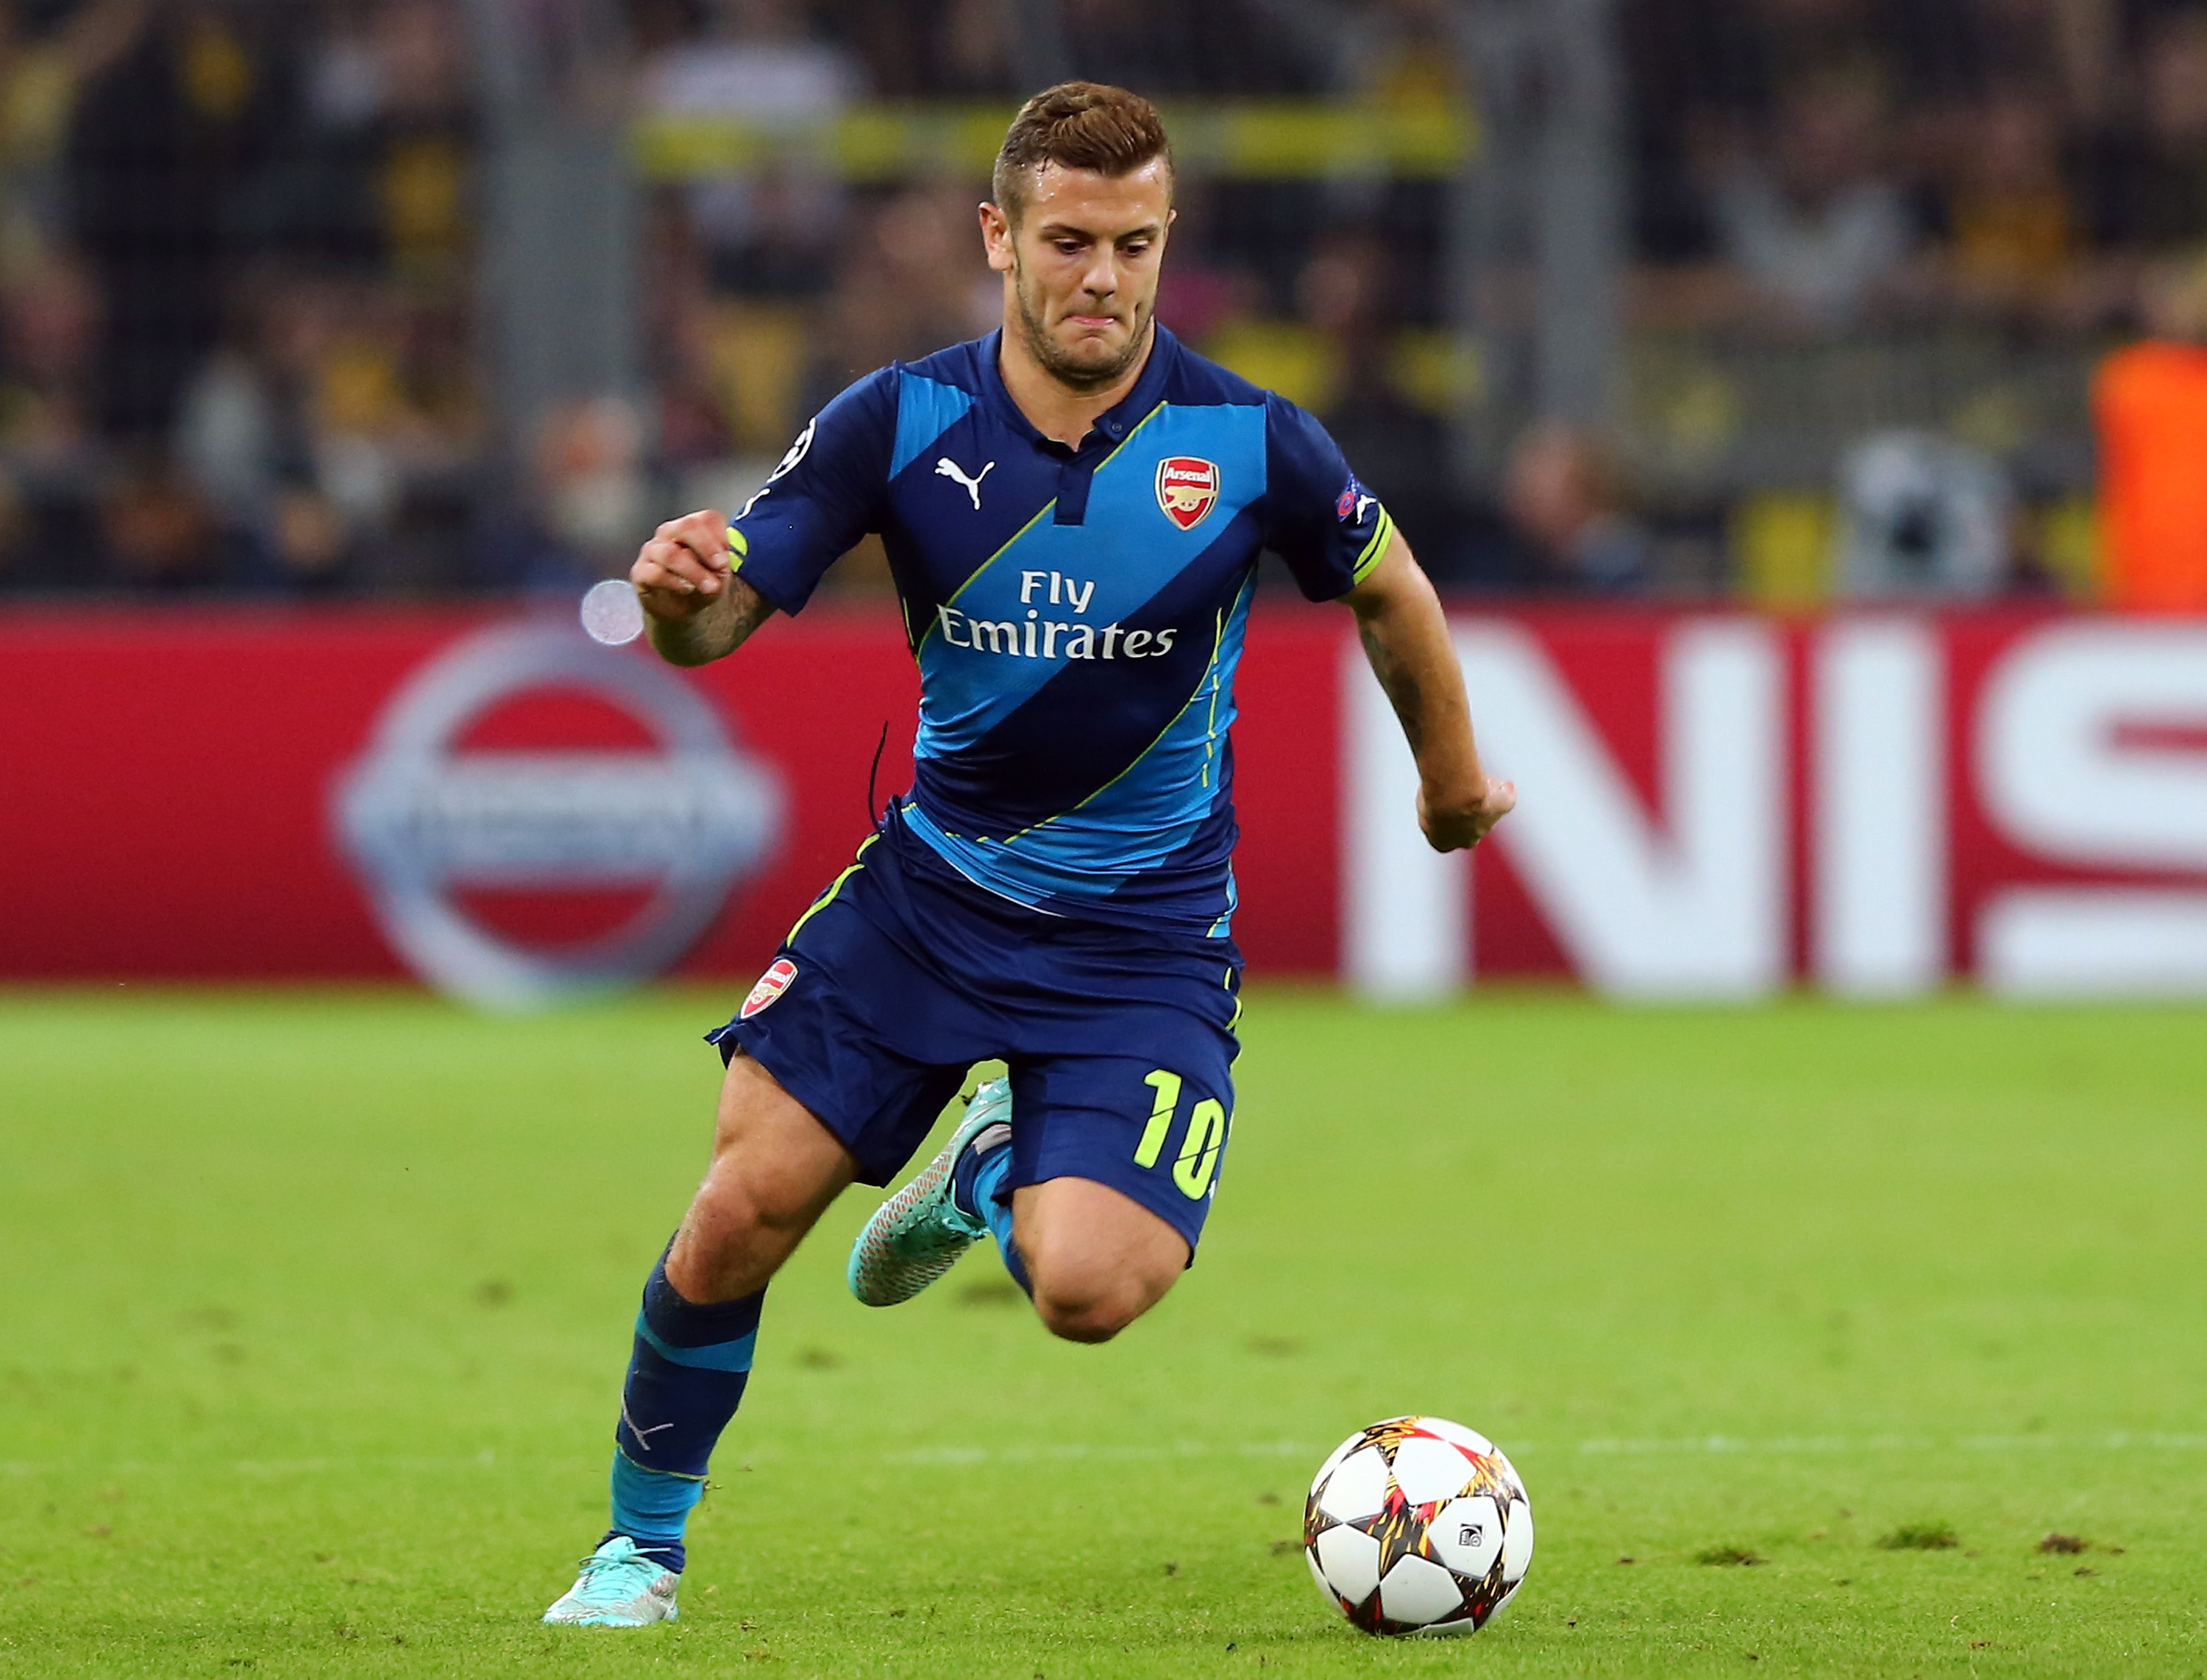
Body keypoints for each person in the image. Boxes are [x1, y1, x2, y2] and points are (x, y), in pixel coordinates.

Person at [540, 81, 1515, 1629]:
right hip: (929, 901)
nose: (1103, 278)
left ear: (1167, 240)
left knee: (1088, 1293)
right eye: (1070, 240)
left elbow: (1391, 587)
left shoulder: (1250, 440)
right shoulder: (897, 421)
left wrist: (1450, 780)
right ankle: (636, 1550)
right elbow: (723, 619)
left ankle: (993, 1163)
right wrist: (673, 599)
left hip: (1141, 941)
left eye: (1135, 243)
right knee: (737, 1210)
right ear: (1000, 237)